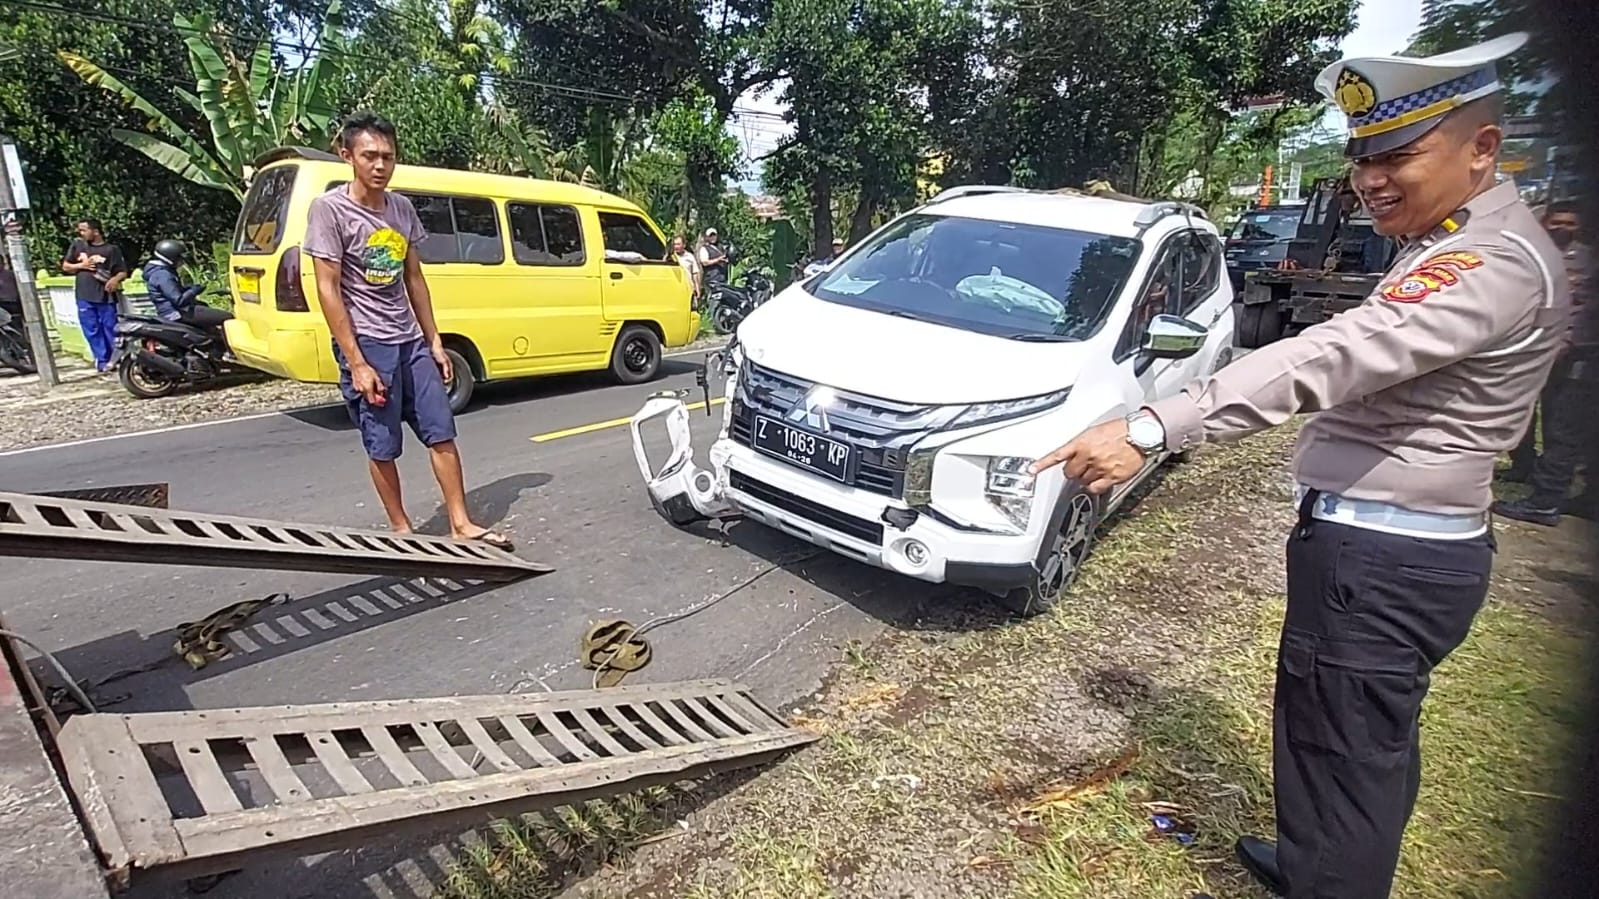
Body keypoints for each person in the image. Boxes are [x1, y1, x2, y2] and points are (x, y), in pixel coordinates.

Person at [1029, 34, 1568, 899]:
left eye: (1397, 154)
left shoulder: (1486, 263)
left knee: (1345, 750)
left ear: (1481, 148)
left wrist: (1153, 422)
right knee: (1345, 740)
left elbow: (1335, 351)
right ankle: (1318, 859)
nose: (1370, 178)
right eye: (1361, 157)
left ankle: (1333, 872)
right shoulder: (1457, 240)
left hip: (1385, 559)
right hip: (1385, 551)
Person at [304, 110, 513, 550]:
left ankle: (461, 523)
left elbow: (414, 278)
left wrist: (434, 341)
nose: (380, 165)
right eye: (370, 156)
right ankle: (402, 529)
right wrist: (357, 362)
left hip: (411, 341)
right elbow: (327, 290)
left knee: (442, 430)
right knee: (382, 443)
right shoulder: (330, 210)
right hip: (368, 344)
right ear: (348, 156)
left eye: (388, 156)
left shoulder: (400, 207)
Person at [1497, 201, 1593, 522]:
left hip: (1573, 356)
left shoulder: (1585, 260)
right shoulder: (1535, 255)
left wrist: (1563, 344)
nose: (1562, 228)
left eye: (1569, 222)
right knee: (1519, 412)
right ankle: (1525, 466)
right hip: (1535, 348)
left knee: (1562, 427)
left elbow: (1582, 311)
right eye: (1556, 222)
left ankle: (1546, 499)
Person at [60, 217, 129, 372]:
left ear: (95, 231)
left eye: (84, 230)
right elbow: (65, 266)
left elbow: (122, 271)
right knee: (91, 329)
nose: (81, 233)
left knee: (110, 327)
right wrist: (81, 265)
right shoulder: (77, 245)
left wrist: (115, 279)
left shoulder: (111, 250)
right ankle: (102, 360)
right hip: (84, 295)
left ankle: (116, 359)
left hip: (105, 296)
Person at [142, 239, 233, 340]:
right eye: (179, 258)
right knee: (227, 317)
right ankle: (231, 351)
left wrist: (189, 288)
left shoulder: (160, 272)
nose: (182, 262)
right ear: (171, 258)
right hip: (176, 313)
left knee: (204, 307)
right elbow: (179, 300)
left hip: (172, 312)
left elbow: (171, 290)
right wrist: (194, 290)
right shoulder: (163, 275)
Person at [671, 234, 703, 310]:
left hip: (688, 288)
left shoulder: (690, 257)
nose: (676, 246)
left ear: (684, 245)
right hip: (675, 288)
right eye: (675, 244)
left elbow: (695, 273)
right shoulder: (671, 257)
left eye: (678, 244)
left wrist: (697, 288)